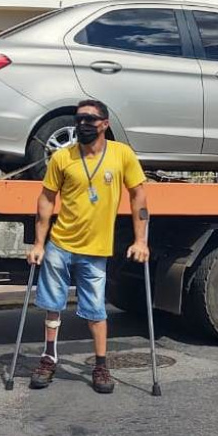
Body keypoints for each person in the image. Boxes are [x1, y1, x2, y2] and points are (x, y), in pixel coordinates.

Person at [27, 99, 149, 394]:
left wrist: (141, 240)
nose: (82, 124)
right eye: (79, 118)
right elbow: (46, 200)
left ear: (105, 124)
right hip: (60, 244)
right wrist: (38, 244)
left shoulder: (122, 155)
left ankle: (101, 365)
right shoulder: (62, 157)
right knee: (52, 306)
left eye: (90, 119)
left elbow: (138, 198)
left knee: (95, 310)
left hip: (96, 249)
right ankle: (48, 358)